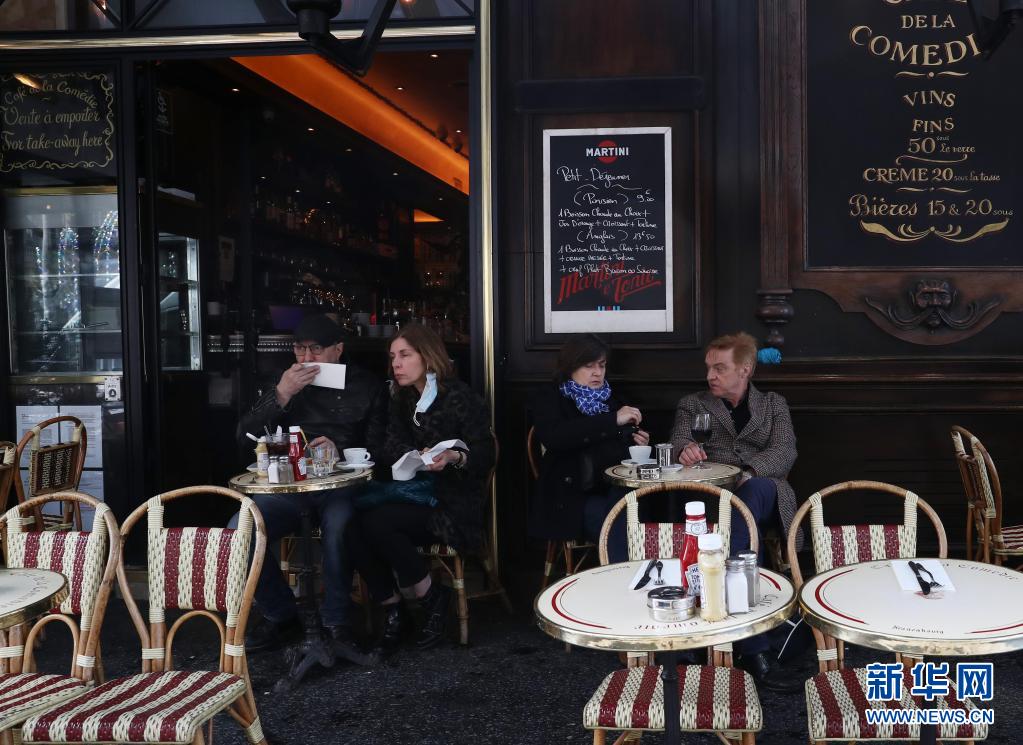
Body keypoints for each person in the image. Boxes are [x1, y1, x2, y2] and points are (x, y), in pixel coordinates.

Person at [235, 314, 387, 658]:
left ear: (338, 349)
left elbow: (381, 449)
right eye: (299, 349)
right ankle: (281, 614)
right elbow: (243, 438)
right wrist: (281, 395)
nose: (305, 358)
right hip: (291, 487)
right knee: (241, 531)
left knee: (339, 527)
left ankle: (336, 623)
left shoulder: (368, 385)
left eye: (315, 349)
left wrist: (340, 450)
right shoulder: (284, 382)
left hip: (342, 487)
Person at [346, 323, 495, 653]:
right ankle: (394, 608)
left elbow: (485, 454)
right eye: (392, 357)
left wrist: (453, 456)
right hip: (411, 493)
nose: (396, 364)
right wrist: (412, 454)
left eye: (405, 355)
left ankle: (430, 597)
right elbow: (383, 446)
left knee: (378, 523)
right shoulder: (399, 398)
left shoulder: (459, 397)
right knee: (352, 525)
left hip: (451, 501)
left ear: (427, 357)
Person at [670, 331, 800, 692]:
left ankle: (725, 642)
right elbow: (680, 438)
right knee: (734, 519)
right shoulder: (693, 404)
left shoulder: (773, 404)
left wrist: (749, 472)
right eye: (708, 368)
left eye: (720, 368)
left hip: (761, 490)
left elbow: (785, 450)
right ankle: (754, 650)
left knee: (751, 494)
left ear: (745, 369)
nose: (710, 375)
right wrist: (685, 450)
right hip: (709, 494)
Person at [528, 335, 649, 559]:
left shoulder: (612, 399)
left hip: (615, 488)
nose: (597, 373)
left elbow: (621, 448)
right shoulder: (551, 397)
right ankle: (626, 574)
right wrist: (612, 420)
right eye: (589, 366)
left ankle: (628, 573)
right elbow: (556, 437)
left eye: (601, 365)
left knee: (636, 511)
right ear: (570, 367)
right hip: (571, 496)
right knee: (618, 521)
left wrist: (637, 441)